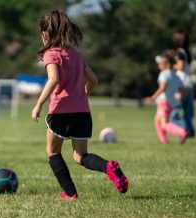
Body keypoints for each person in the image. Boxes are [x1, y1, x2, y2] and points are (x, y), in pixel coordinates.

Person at [31, 10, 128, 201]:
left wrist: (38, 104)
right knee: (80, 156)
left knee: (52, 152)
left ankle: (70, 193)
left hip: (61, 112)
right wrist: (82, 96)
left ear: (44, 34)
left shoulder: (50, 54)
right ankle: (108, 166)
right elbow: (94, 80)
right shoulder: (75, 54)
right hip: (82, 112)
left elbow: (53, 79)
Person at [146, 50, 188, 144]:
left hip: (163, 102)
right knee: (157, 120)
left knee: (164, 124)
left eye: (161, 64)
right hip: (171, 103)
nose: (159, 66)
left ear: (167, 64)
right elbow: (184, 89)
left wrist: (153, 98)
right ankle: (163, 140)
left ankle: (182, 133)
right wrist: (180, 95)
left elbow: (162, 88)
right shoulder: (175, 75)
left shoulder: (164, 74)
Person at [172, 30, 195, 137]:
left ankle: (184, 129)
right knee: (188, 111)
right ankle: (191, 131)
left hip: (181, 84)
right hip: (189, 83)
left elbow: (180, 67)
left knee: (174, 111)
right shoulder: (186, 52)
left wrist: (170, 65)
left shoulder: (180, 52)